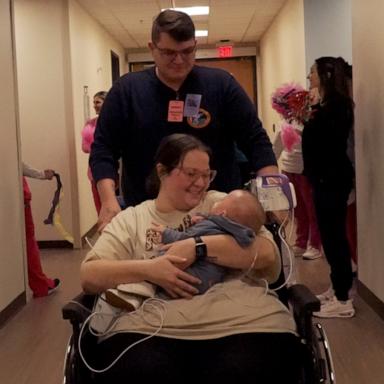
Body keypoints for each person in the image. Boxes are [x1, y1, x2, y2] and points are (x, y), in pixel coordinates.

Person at [80, 134, 301, 382]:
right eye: (191, 173)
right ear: (162, 171)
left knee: (249, 368)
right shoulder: (132, 219)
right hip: (152, 327)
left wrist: (198, 246)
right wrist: (150, 270)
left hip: (244, 321)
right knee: (141, 370)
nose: (201, 183)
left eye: (207, 175)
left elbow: (267, 254)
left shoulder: (224, 203)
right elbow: (90, 275)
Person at [89, 9, 278, 232]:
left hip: (217, 214)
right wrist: (109, 200)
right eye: (169, 52)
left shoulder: (221, 85)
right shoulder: (127, 90)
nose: (178, 60)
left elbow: (255, 139)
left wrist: (274, 195)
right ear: (152, 48)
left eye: (187, 51)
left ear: (195, 45)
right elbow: (103, 149)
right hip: (148, 215)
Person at [105, 189, 266, 310]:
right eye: (190, 173)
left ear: (222, 213)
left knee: (160, 265)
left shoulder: (210, 224)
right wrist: (204, 219)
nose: (200, 182)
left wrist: (166, 232)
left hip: (191, 275)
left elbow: (185, 241)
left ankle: (136, 293)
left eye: (220, 202)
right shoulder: (237, 232)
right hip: (209, 280)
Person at [302, 57, 355, 318]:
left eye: (312, 72)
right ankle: (336, 287)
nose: (309, 76)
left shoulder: (337, 107)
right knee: (330, 237)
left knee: (335, 239)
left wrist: (314, 117)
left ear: (325, 75)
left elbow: (328, 144)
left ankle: (344, 300)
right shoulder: (326, 106)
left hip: (331, 180)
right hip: (324, 179)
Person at [273, 121, 323, 261]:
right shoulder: (284, 123)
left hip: (305, 172)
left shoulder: (310, 122)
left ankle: (314, 245)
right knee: (298, 210)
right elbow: (276, 147)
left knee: (312, 210)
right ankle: (301, 242)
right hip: (288, 169)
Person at [22, 162, 61, 297]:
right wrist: (41, 175)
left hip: (20, 201)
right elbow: (18, 165)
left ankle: (41, 284)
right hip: (21, 203)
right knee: (29, 245)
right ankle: (41, 286)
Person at [81, 91, 108, 214]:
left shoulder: (113, 121)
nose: (94, 105)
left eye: (98, 102)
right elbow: (85, 147)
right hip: (94, 171)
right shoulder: (90, 124)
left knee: (111, 207)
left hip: (111, 172)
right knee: (99, 208)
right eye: (93, 102)